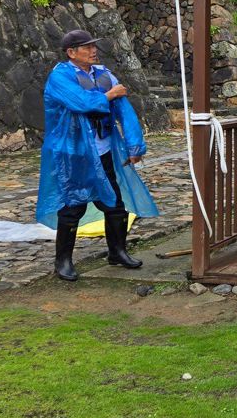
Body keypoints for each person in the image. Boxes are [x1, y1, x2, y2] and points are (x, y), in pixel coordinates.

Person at [35, 29, 152, 280]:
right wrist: (110, 94)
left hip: (103, 149)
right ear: (71, 52)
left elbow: (124, 110)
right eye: (86, 47)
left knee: (115, 204)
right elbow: (82, 102)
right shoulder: (60, 77)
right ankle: (63, 261)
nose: (93, 51)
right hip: (73, 153)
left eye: (93, 46)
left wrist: (134, 146)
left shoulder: (103, 74)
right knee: (72, 206)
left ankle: (117, 251)